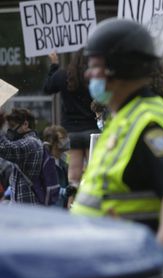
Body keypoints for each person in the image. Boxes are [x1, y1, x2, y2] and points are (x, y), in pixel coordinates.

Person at [70, 18, 163, 278]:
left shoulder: (149, 121)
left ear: (119, 67)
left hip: (133, 269)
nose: (89, 74)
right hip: (111, 264)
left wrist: (156, 266)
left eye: (95, 65)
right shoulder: (123, 116)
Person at [44, 50, 99, 187]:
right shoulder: (93, 77)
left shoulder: (63, 76)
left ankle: (71, 202)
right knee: (94, 171)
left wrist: (54, 66)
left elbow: (48, 88)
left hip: (71, 132)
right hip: (92, 129)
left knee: (73, 174)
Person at [0, 109, 45, 204]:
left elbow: (5, 149)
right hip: (24, 205)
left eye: (12, 126)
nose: (9, 130)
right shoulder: (31, 142)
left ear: (25, 124)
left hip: (29, 207)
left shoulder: (31, 143)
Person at [43, 125, 76, 208]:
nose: (66, 141)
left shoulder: (64, 162)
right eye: (62, 138)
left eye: (66, 137)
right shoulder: (45, 162)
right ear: (51, 141)